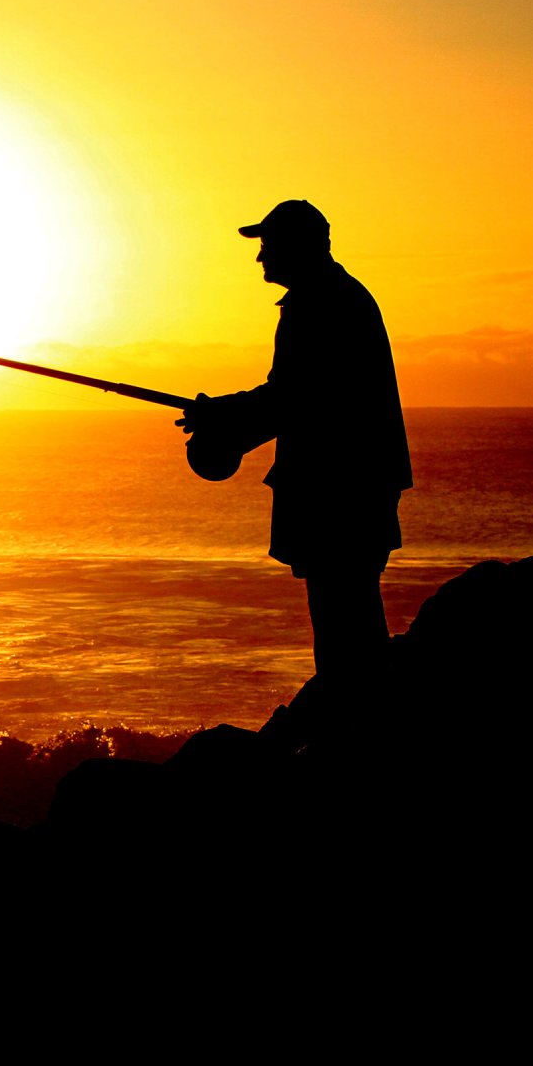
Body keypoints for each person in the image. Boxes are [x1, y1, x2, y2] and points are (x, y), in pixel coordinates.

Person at [177, 199, 411, 700]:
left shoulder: (319, 304)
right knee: (348, 621)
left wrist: (221, 418)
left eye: (268, 245)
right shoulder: (334, 297)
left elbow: (293, 399)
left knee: (345, 628)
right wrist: (223, 419)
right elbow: (295, 399)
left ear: (297, 246)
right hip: (355, 486)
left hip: (339, 492)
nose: (260, 257)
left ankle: (359, 729)